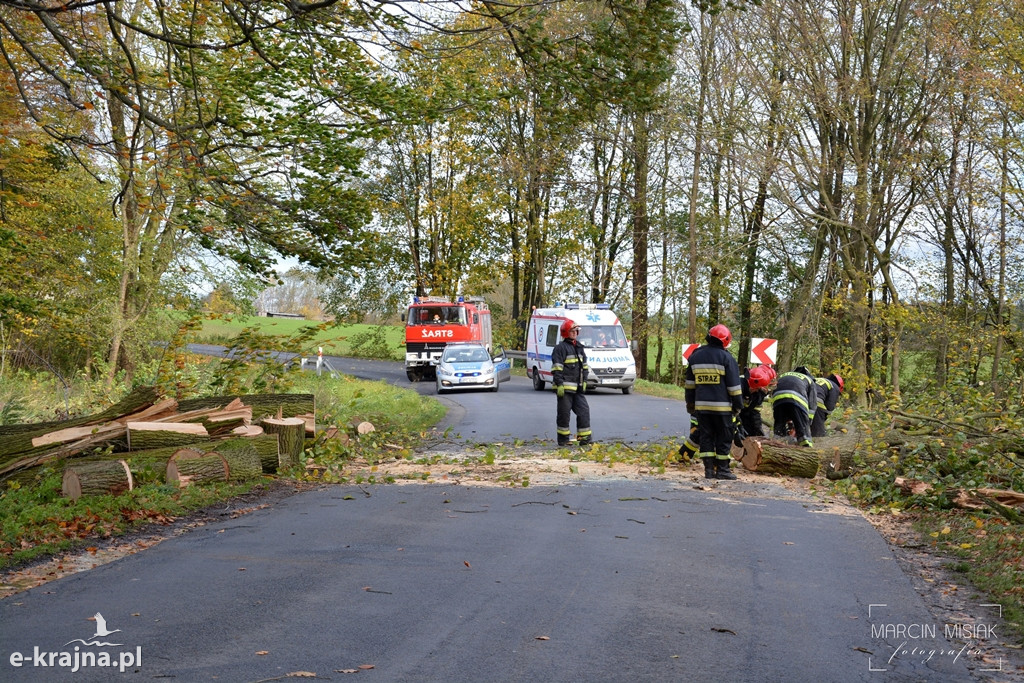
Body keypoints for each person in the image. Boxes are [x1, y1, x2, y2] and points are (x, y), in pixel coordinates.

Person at [684, 324, 743, 480]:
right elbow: (734, 387)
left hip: (701, 407)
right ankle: (723, 470)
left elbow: (690, 385)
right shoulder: (727, 358)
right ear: (725, 341)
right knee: (724, 438)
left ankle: (709, 470)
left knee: (706, 437)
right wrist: (738, 406)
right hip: (722, 409)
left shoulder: (695, 356)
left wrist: (690, 405)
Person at [552, 320, 592, 447]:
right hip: (565, 388)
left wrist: (585, 380)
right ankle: (563, 439)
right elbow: (557, 367)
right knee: (564, 414)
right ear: (566, 332)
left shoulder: (579, 347)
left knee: (584, 411)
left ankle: (584, 439)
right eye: (572, 331)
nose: (575, 333)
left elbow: (584, 366)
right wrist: (559, 384)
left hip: (578, 388)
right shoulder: (560, 348)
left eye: (576, 331)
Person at [771, 366, 817, 447]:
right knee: (803, 432)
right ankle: (806, 448)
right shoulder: (809, 380)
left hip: (777, 397)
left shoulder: (785, 375)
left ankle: (776, 444)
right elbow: (812, 406)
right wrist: (807, 422)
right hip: (796, 397)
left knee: (779, 427)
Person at [737, 364, 775, 440]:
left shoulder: (758, 392)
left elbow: (755, 412)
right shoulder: (740, 385)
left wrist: (758, 430)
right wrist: (738, 426)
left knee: (750, 434)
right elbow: (734, 408)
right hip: (734, 414)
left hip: (745, 413)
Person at [810, 373, 843, 437]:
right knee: (819, 433)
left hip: (801, 400)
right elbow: (829, 406)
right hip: (816, 403)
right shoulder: (835, 386)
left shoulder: (817, 379)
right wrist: (823, 418)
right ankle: (818, 444)